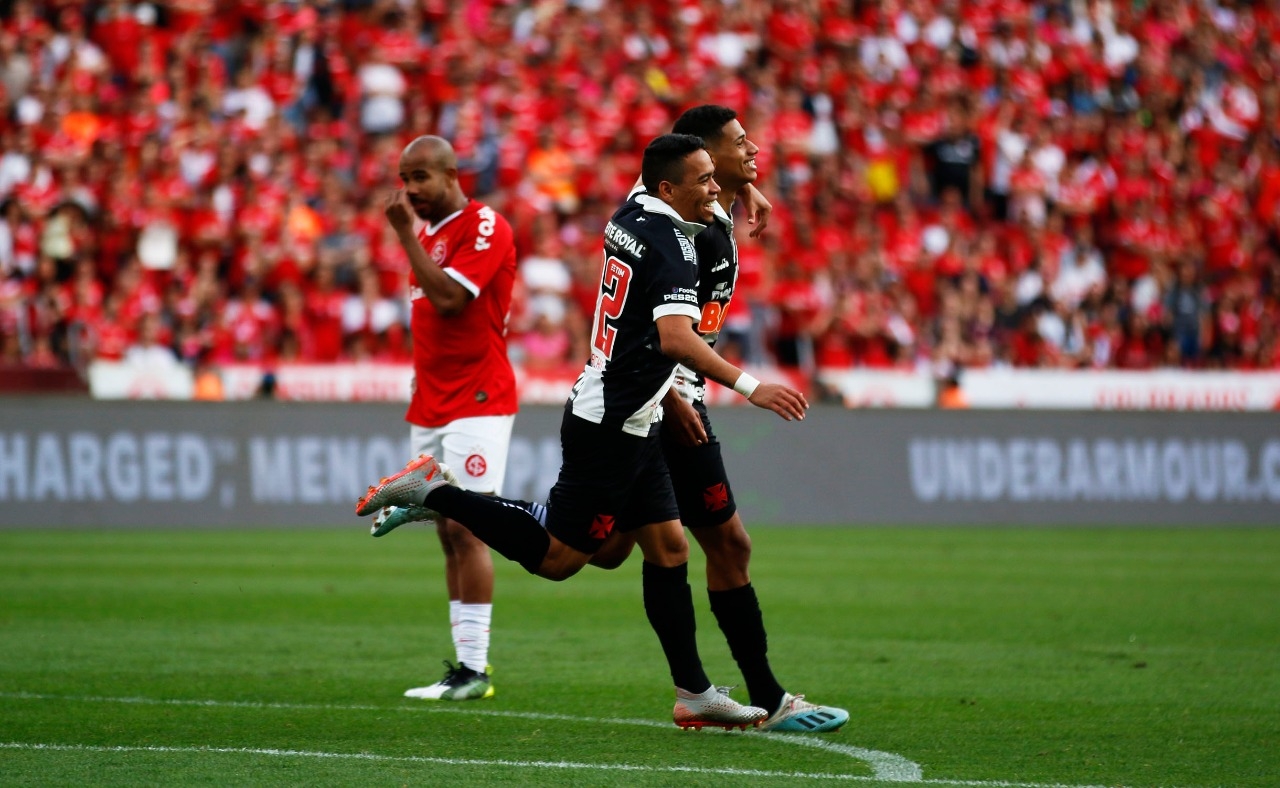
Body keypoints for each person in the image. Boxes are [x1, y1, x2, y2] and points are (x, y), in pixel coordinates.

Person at [357, 134, 810, 729]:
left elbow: (669, 161)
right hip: (613, 420)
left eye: (713, 177)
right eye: (703, 182)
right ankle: (434, 493)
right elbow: (676, 337)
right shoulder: (675, 246)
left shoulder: (633, 210)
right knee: (561, 559)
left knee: (659, 548)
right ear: (671, 188)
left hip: (636, 405)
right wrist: (753, 387)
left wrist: (736, 180)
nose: (713, 189)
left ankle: (694, 693)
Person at [590, 105, 849, 733]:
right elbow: (658, 328)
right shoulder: (686, 230)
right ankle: (453, 500)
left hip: (674, 393)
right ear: (700, 163)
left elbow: (659, 179)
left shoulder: (708, 203)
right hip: (663, 397)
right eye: (737, 145)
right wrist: (678, 394)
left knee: (628, 547)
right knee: (623, 549)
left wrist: (743, 184)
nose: (754, 147)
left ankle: (758, 696)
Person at [372, 135, 518, 702]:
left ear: (452, 175)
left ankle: (476, 670)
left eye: (421, 178)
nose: (411, 191)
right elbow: (429, 326)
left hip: (477, 400)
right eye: (405, 179)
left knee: (468, 525)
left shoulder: (483, 227)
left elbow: (452, 303)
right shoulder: (429, 234)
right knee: (446, 533)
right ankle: (462, 668)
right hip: (431, 401)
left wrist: (405, 235)